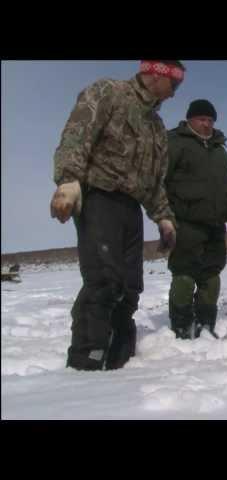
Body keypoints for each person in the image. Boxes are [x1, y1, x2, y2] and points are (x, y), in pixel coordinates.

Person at [50, 60, 186, 371]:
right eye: (174, 85)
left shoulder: (157, 127)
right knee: (104, 281)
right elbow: (77, 135)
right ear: (156, 73)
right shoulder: (109, 92)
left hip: (131, 207)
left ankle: (119, 361)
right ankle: (86, 360)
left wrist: (164, 219)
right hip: (99, 197)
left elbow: (155, 181)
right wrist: (69, 182)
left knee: (129, 286)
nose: (175, 94)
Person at [165, 99, 227, 339]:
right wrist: (164, 215)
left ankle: (205, 325)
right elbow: (160, 181)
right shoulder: (175, 143)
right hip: (185, 222)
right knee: (184, 275)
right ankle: (181, 327)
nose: (206, 124)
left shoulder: (219, 149)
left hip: (215, 224)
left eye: (210, 120)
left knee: (211, 277)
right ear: (190, 119)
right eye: (202, 119)